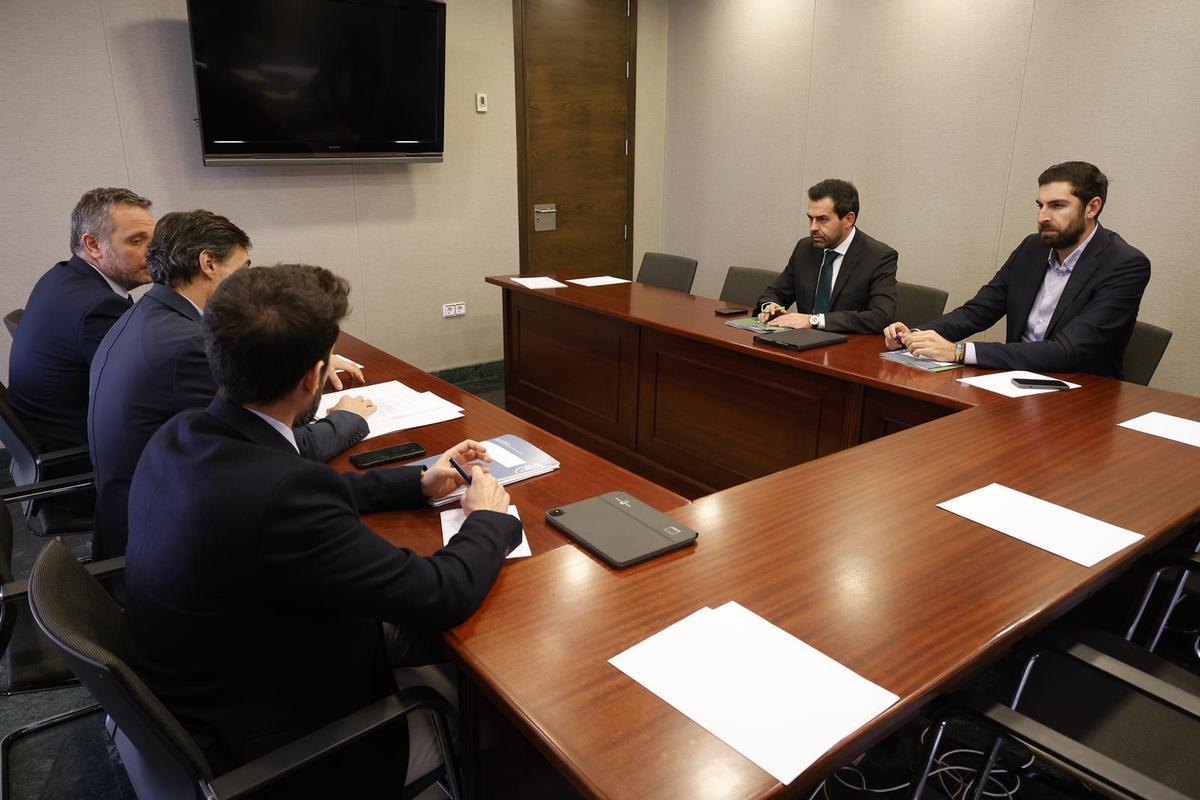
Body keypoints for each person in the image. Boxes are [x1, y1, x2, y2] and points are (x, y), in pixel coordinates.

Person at [121, 264, 522, 793]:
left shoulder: (184, 433)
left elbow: (305, 491)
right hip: (286, 750)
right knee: (492, 720)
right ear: (313, 377)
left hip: (212, 687)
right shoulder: (283, 497)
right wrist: (490, 520)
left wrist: (416, 482)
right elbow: (441, 593)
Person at [88, 210, 372, 560]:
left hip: (145, 509)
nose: (247, 283)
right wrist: (347, 419)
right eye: (243, 269)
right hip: (165, 538)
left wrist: (301, 358)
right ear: (208, 263)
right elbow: (266, 447)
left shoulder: (145, 315)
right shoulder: (190, 345)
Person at [884, 162, 1151, 378]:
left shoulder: (1124, 264)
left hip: (1080, 393)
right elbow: (979, 310)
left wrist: (959, 352)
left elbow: (1069, 350)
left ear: (1092, 207)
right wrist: (916, 336)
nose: (1042, 217)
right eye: (1040, 205)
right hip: (1013, 382)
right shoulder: (1032, 248)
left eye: (1057, 205)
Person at [8, 187, 154, 451]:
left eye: (152, 242)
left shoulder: (60, 276)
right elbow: (147, 394)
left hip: (47, 435)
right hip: (77, 456)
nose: (152, 252)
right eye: (136, 241)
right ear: (93, 245)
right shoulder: (98, 307)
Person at [754, 179, 898, 334]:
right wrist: (770, 306)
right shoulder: (805, 248)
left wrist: (813, 320)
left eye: (822, 219)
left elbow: (880, 316)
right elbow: (775, 293)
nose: (813, 227)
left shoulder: (878, 256)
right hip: (801, 344)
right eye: (810, 218)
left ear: (848, 220)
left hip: (846, 349)